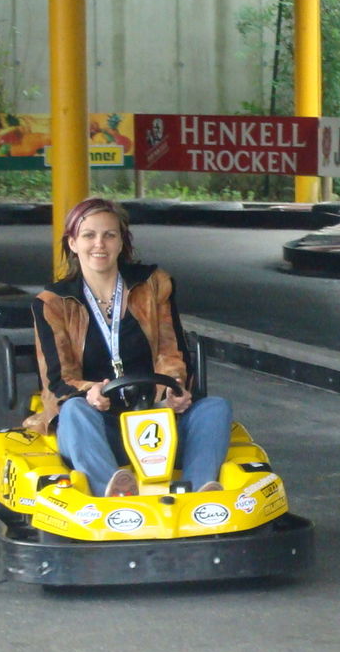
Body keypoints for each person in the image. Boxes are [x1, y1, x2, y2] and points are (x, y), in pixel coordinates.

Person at [32, 197, 232, 498]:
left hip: (155, 419)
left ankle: (195, 494)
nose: (99, 244)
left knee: (215, 408)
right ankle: (112, 493)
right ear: (73, 243)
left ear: (121, 242)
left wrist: (172, 391)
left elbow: (171, 352)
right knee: (74, 410)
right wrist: (90, 392)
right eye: (89, 235)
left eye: (109, 235)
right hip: (100, 425)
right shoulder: (53, 303)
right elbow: (58, 381)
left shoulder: (153, 285)